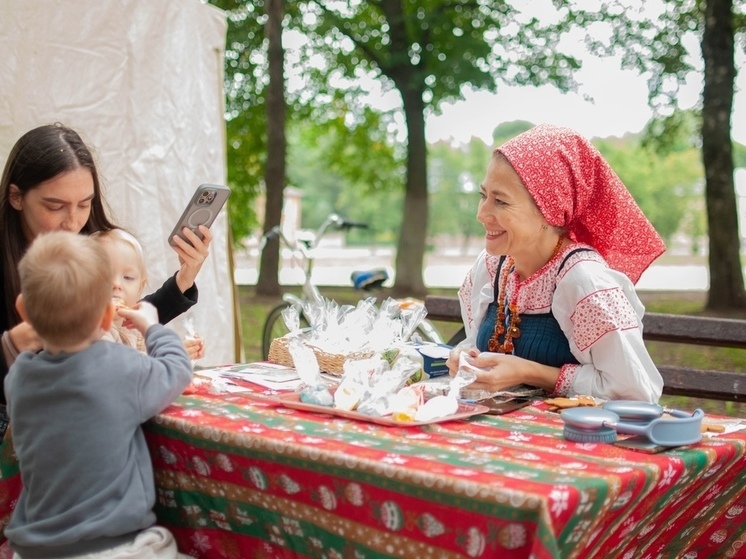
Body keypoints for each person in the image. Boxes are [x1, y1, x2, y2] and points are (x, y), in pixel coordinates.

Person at [0, 123, 212, 430]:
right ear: (16, 197)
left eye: (84, 204)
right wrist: (12, 346)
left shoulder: (92, 243)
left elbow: (120, 315)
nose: (72, 221)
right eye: (55, 206)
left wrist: (184, 278)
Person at [4, 230, 192, 558]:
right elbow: (177, 370)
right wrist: (152, 326)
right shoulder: (121, 368)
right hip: (114, 547)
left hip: (34, 549)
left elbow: (12, 350)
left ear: (23, 310)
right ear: (107, 317)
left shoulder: (19, 377)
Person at [446, 124, 665, 403]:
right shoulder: (491, 267)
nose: (481, 213)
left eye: (500, 201)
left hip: (574, 438)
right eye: (483, 195)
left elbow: (638, 391)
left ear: (549, 209)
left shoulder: (583, 282)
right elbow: (476, 342)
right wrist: (464, 355)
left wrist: (530, 372)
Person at [92, 228, 205, 359]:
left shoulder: (135, 330)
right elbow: (124, 367)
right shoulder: (93, 330)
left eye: (128, 277)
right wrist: (171, 355)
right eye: (105, 275)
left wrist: (185, 349)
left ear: (140, 288)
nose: (116, 284)